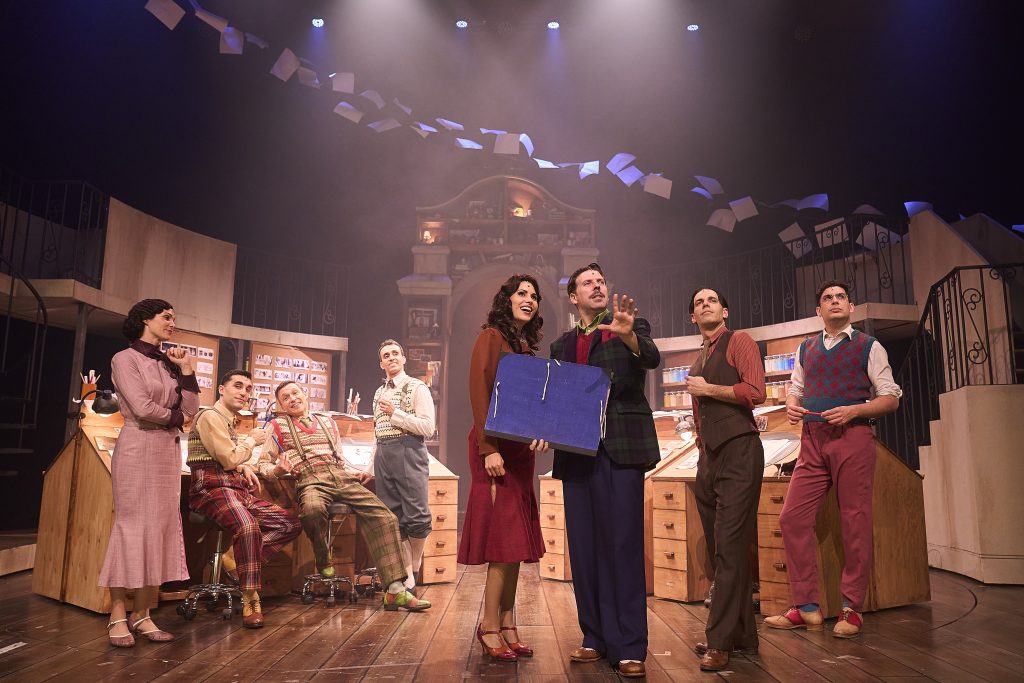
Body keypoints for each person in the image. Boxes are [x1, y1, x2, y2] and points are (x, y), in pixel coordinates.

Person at [764, 280, 901, 638]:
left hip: (852, 437)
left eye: (841, 297)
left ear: (850, 307)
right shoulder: (806, 348)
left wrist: (855, 410)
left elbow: (890, 398)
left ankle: (852, 607)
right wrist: (791, 405)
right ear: (818, 310)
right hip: (812, 439)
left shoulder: (869, 346)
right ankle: (806, 607)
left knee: (854, 521)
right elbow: (796, 389)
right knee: (792, 518)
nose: (835, 301)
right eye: (828, 298)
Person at [549, 263, 660, 679]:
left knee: (623, 544)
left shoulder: (629, 325)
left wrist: (628, 335)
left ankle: (630, 645)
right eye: (587, 283)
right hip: (577, 453)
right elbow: (556, 398)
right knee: (584, 547)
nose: (597, 286)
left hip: (620, 448)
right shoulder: (561, 345)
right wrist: (544, 429)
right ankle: (594, 635)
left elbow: (651, 357)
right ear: (573, 296)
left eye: (600, 281)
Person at [256, 381, 430, 611]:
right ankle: (322, 555)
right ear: (281, 405)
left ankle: (395, 590)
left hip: (340, 477)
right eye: (285, 398)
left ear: (305, 394)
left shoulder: (327, 422)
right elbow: (262, 463)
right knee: (312, 510)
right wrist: (277, 470)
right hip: (310, 478)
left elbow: (339, 458)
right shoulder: (276, 426)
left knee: (386, 517)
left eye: (295, 393)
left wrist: (354, 472)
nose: (292, 399)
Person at [99, 299, 200, 647]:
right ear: (145, 319)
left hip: (166, 451)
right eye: (166, 317)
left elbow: (191, 407)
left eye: (174, 317)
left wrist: (186, 370)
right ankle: (117, 614)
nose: (172, 322)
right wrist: (178, 419)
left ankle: (142, 614)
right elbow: (142, 407)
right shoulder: (124, 359)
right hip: (138, 446)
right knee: (130, 528)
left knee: (159, 529)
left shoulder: (168, 363)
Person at [457, 274, 548, 662]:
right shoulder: (491, 337)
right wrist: (488, 448)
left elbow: (532, 402)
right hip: (494, 449)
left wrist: (543, 432)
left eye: (534, 295)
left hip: (521, 452)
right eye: (521, 293)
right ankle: (489, 625)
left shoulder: (525, 348)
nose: (529, 299)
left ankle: (509, 624)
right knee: (502, 541)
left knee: (516, 543)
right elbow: (480, 392)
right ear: (506, 300)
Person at [684, 288, 767, 672]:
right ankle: (743, 635)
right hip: (710, 457)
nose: (705, 305)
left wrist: (709, 389)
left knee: (730, 548)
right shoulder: (698, 358)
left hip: (739, 451)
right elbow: (699, 414)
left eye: (712, 300)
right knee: (722, 547)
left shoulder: (739, 342)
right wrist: (701, 446)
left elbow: (756, 392)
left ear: (725, 311)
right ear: (693, 317)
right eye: (699, 303)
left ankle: (719, 642)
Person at [186, 369, 302, 628]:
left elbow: (226, 457)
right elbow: (228, 458)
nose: (244, 392)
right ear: (221, 389)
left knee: (289, 524)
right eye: (238, 386)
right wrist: (250, 441)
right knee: (248, 526)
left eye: (248, 389)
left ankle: (235, 561)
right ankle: (251, 597)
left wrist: (243, 466)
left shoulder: (228, 421)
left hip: (233, 488)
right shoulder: (210, 416)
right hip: (210, 489)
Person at [370, 339, 436, 592]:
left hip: (408, 450)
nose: (392, 358)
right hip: (384, 454)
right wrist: (370, 466)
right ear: (381, 363)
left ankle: (415, 566)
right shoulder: (378, 392)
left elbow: (427, 427)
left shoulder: (416, 387)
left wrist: (395, 413)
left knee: (417, 516)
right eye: (386, 355)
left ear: (404, 358)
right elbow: (377, 431)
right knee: (393, 517)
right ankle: (406, 575)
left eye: (395, 353)